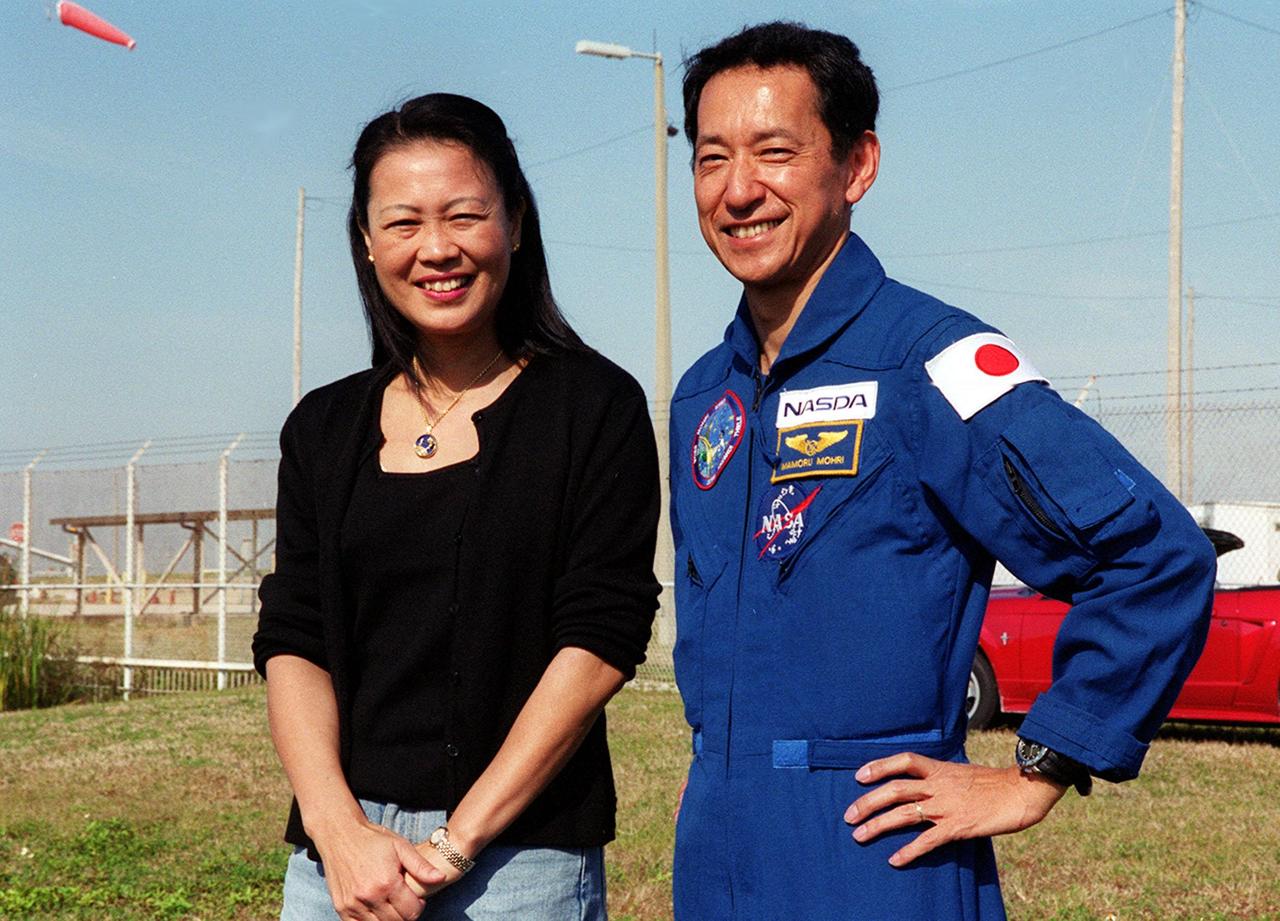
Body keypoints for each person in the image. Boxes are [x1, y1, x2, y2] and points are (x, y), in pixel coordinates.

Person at [667, 21, 1216, 921]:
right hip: (719, 849)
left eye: (775, 152)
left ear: (857, 166)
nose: (737, 190)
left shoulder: (933, 365)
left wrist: (1042, 767)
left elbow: (1154, 557)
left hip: (873, 847)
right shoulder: (705, 399)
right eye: (711, 157)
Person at [252, 93, 660, 921]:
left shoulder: (594, 407)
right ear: (367, 243)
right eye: (403, 223)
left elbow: (600, 639)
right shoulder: (323, 428)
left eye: (465, 215)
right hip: (339, 864)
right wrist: (338, 831)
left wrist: (453, 844)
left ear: (514, 220)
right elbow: (295, 637)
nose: (437, 248)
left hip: (521, 865)